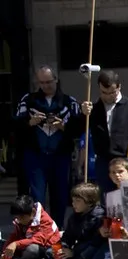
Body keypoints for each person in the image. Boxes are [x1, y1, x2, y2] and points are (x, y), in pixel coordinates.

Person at [13, 66, 80, 227]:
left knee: (60, 195)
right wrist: (30, 122)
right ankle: (38, 229)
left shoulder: (69, 101)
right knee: (37, 196)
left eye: (49, 82)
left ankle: (57, 229)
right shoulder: (27, 100)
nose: (45, 86)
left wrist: (63, 126)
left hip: (60, 156)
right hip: (36, 156)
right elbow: (14, 126)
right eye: (41, 82)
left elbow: (79, 128)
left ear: (56, 79)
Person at [80, 70, 128, 195]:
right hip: (103, 160)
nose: (107, 96)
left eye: (112, 92)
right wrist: (83, 114)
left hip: (124, 159)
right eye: (103, 93)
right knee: (105, 198)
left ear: (119, 87)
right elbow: (77, 129)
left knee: (127, 197)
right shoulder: (94, 108)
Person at [44, 183, 106, 259]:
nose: (73, 204)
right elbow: (68, 237)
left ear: (89, 202)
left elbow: (96, 242)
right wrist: (61, 248)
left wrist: (73, 253)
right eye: (73, 200)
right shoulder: (74, 217)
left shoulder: (98, 216)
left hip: (92, 248)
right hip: (78, 249)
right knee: (51, 251)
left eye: (78, 201)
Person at [3, 195, 61, 259]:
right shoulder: (20, 221)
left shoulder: (45, 220)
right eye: (17, 217)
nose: (19, 220)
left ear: (33, 212)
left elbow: (37, 240)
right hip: (26, 247)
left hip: (47, 249)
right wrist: (5, 252)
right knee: (5, 246)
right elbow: (14, 236)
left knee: (31, 249)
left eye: (22, 217)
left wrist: (16, 244)